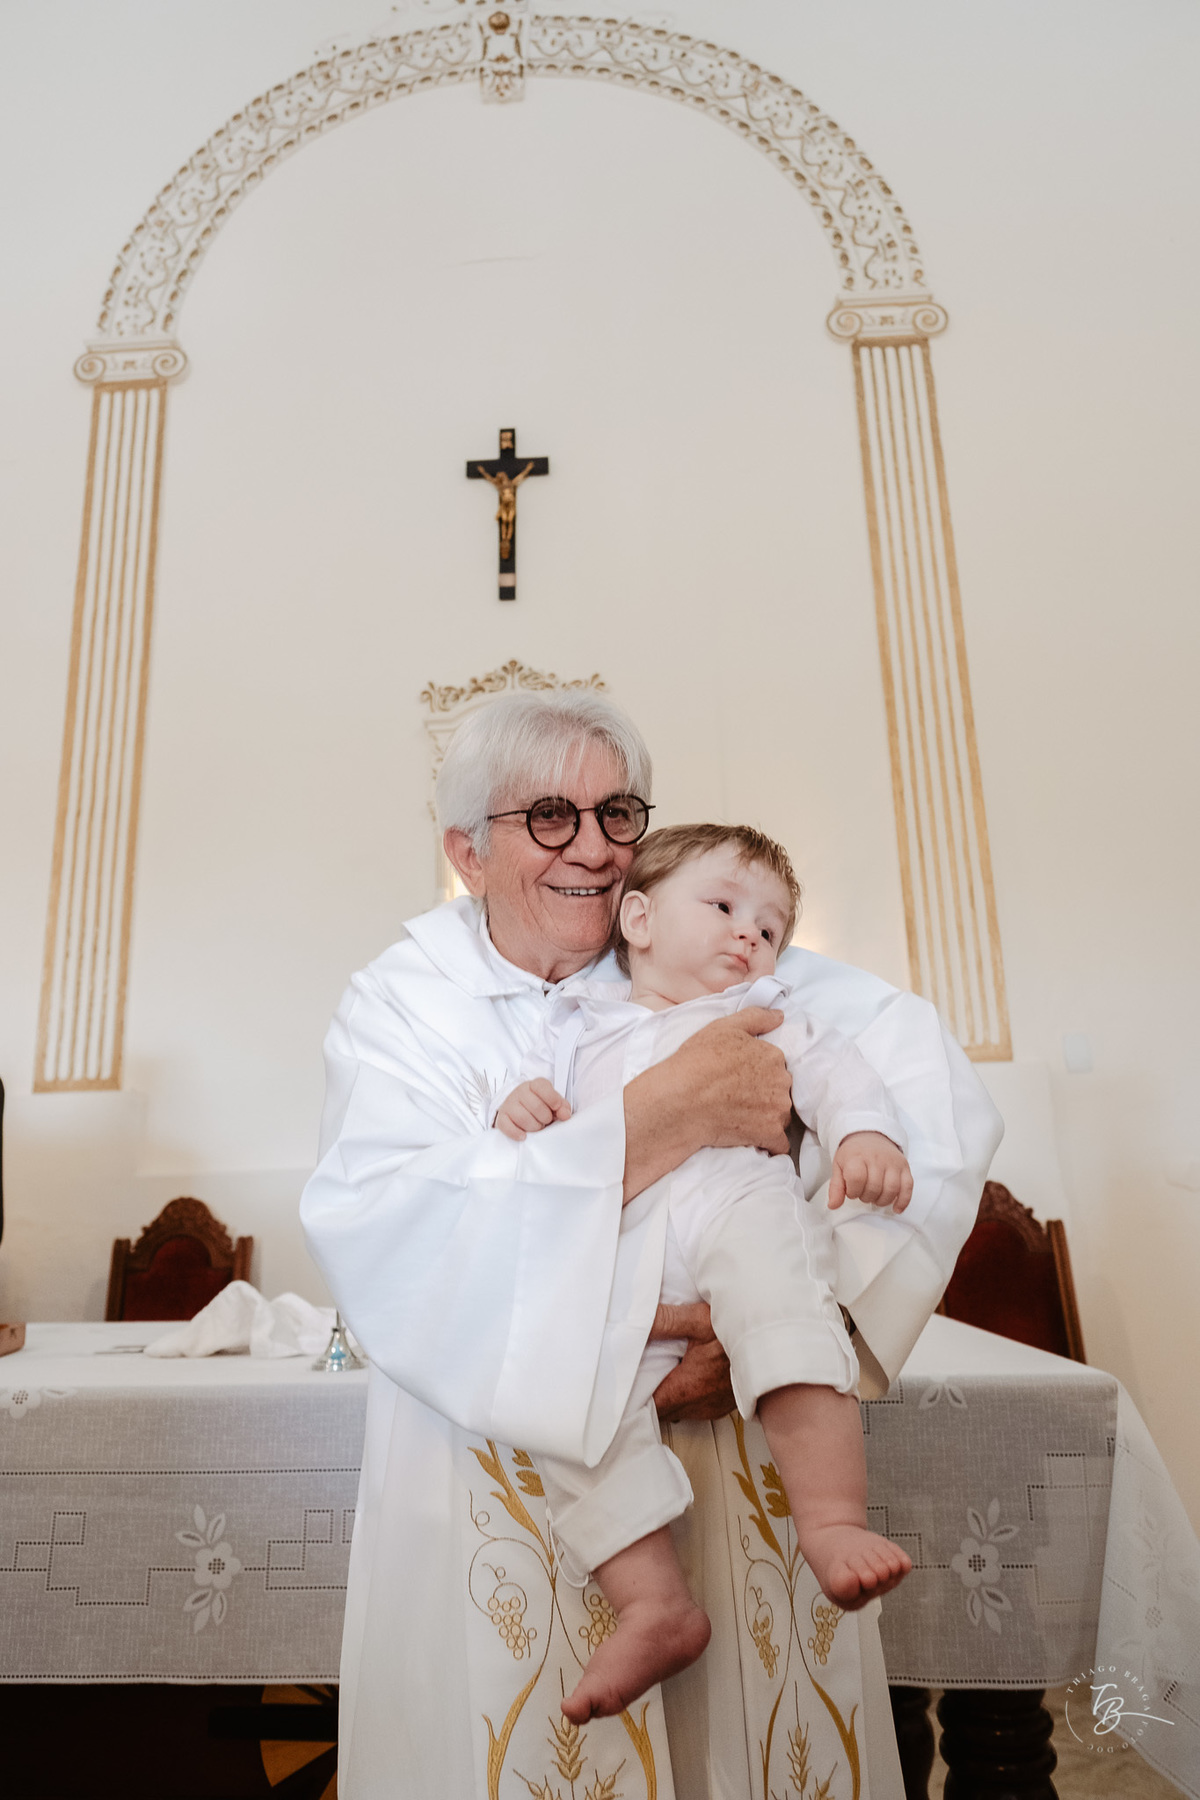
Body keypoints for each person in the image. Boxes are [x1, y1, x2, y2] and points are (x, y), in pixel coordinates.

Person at [300, 689, 1004, 1800]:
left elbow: (933, 1099)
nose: (593, 848)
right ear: (465, 852)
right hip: (498, 1471)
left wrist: (793, 1306)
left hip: (737, 1451)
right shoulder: (403, 1006)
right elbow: (389, 1222)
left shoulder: (715, 949)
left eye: (616, 813)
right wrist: (662, 1117)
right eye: (548, 816)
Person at [493, 821, 916, 1724]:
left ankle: (832, 1517)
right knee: (573, 1393)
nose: (747, 936)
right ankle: (653, 1600)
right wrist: (517, 1106)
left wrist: (864, 1134)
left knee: (783, 1314)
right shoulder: (571, 1021)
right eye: (724, 907)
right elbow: (533, 1112)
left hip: (736, 1196)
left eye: (768, 928)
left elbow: (837, 1074)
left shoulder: (760, 1014)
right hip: (625, 1234)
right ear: (637, 919)